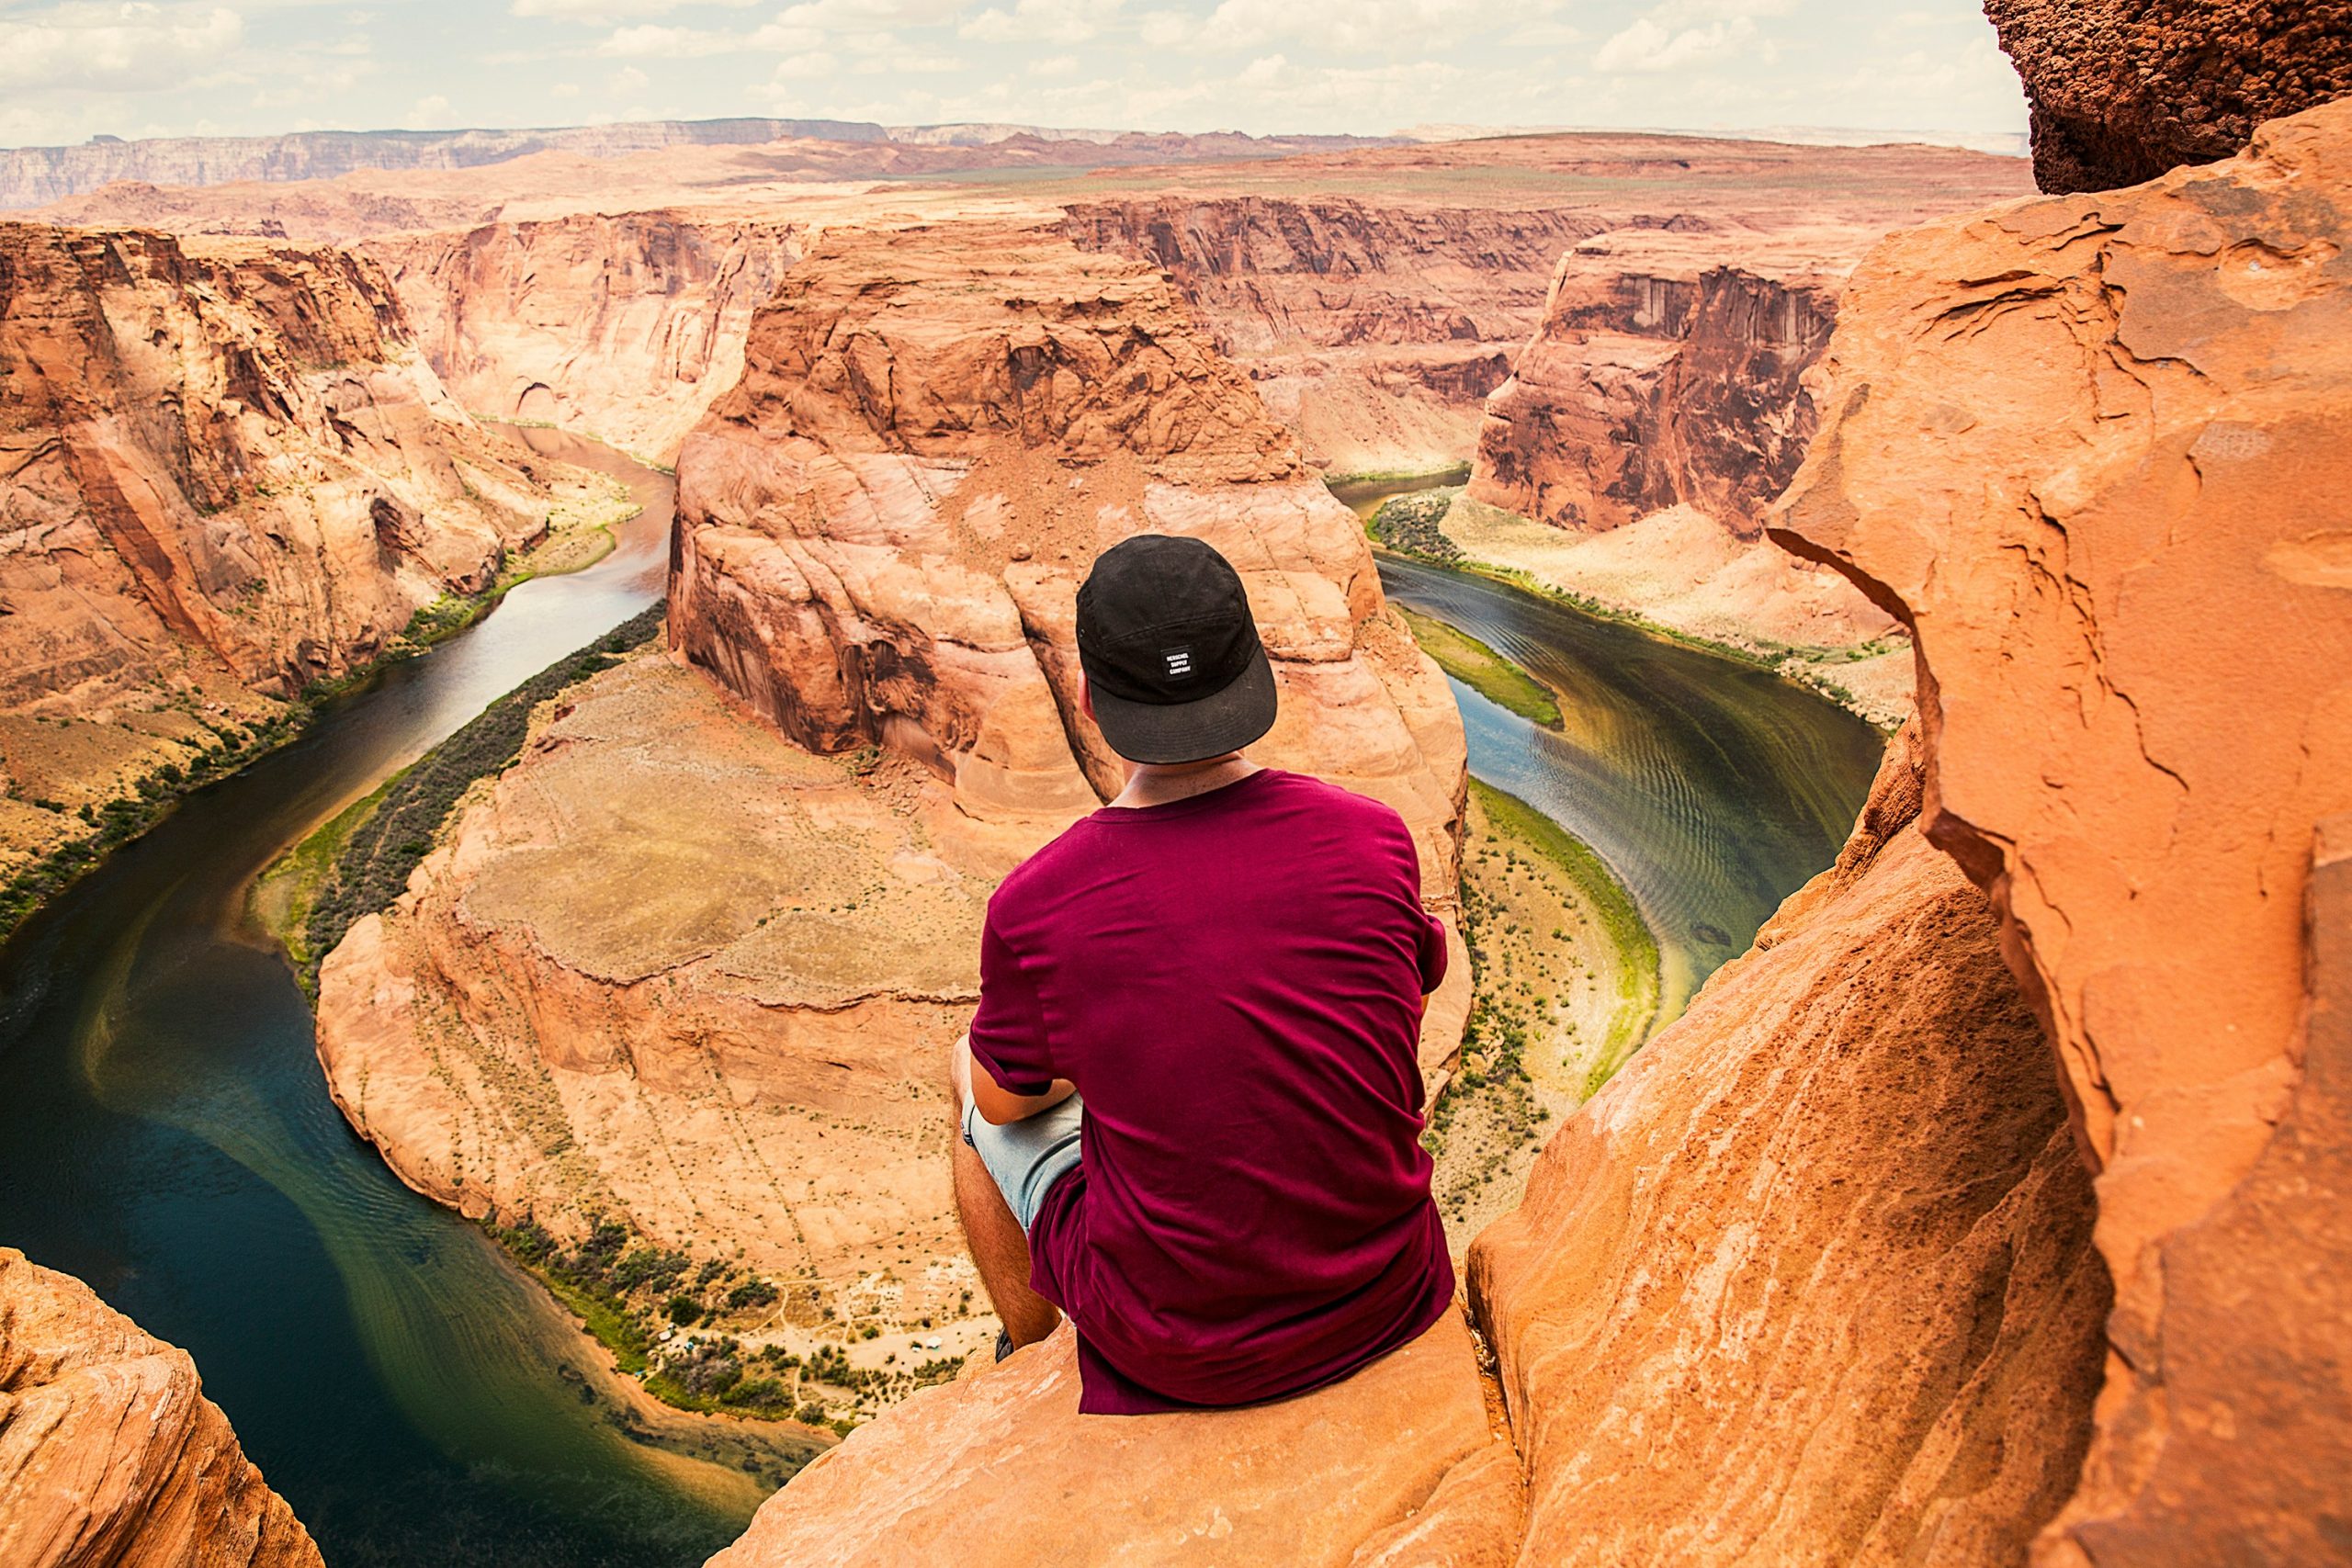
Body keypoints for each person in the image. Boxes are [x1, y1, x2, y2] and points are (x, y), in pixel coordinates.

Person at [950, 531, 1453, 1415]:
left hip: (1186, 1352)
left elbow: (1005, 1105)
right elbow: (1406, 992)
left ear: (1088, 698)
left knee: (968, 1081)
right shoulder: (1373, 835)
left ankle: (1026, 1353)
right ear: (1254, 670)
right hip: (1390, 1292)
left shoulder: (1040, 905)